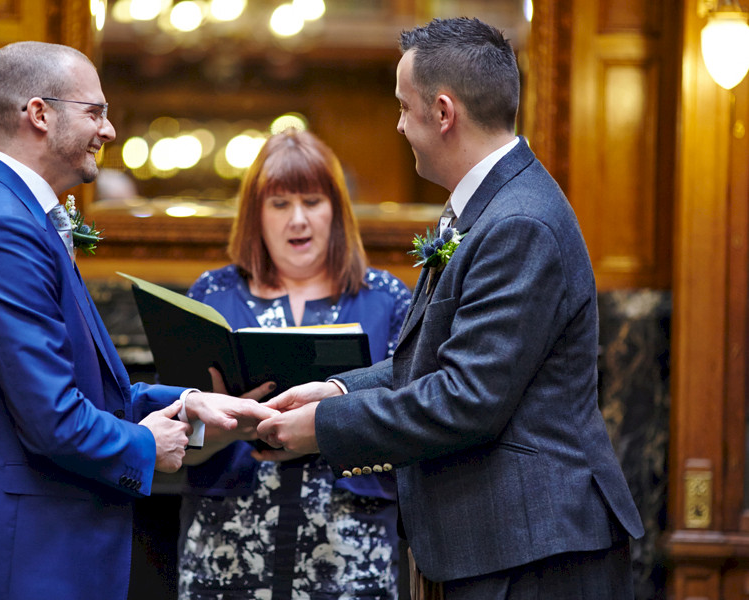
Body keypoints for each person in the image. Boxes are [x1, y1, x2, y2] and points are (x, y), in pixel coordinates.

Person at [258, 18, 645, 599]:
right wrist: (338, 392)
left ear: (443, 113)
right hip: (510, 540)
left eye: (402, 108)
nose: (398, 125)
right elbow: (443, 360)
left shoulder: (517, 222)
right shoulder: (489, 205)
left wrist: (323, 428)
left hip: (536, 550)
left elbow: (467, 398)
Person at [0, 41, 275, 600]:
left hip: (44, 540)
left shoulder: (19, 216)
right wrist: (144, 444)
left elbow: (82, 389)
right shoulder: (0, 229)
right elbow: (51, 417)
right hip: (26, 552)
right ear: (39, 114)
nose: (109, 131)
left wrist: (187, 402)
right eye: (95, 112)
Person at [176, 129, 412, 600]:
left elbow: (411, 424)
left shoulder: (387, 298)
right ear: (256, 215)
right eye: (280, 204)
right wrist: (224, 425)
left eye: (313, 201)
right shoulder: (212, 296)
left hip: (350, 552)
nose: (298, 219)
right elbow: (176, 444)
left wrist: (335, 423)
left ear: (337, 211)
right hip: (228, 551)